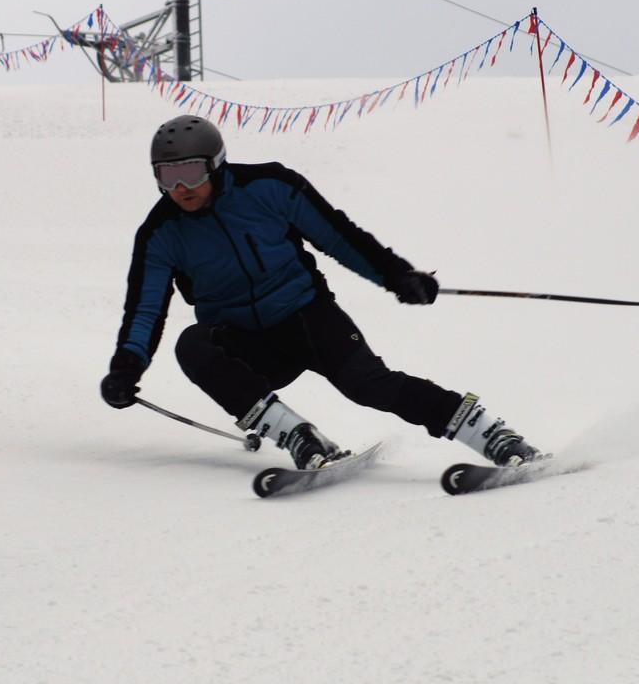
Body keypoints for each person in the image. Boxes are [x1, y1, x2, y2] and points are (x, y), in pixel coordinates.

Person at [100, 114, 541, 471]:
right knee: (192, 345)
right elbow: (145, 309)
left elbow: (338, 236)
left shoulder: (269, 186)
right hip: (246, 342)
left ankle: (490, 433)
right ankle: (296, 434)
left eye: (191, 172)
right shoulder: (160, 233)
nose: (181, 189)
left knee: (370, 386)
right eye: (167, 176)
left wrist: (397, 276)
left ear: (216, 164)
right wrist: (126, 368)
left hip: (308, 317)